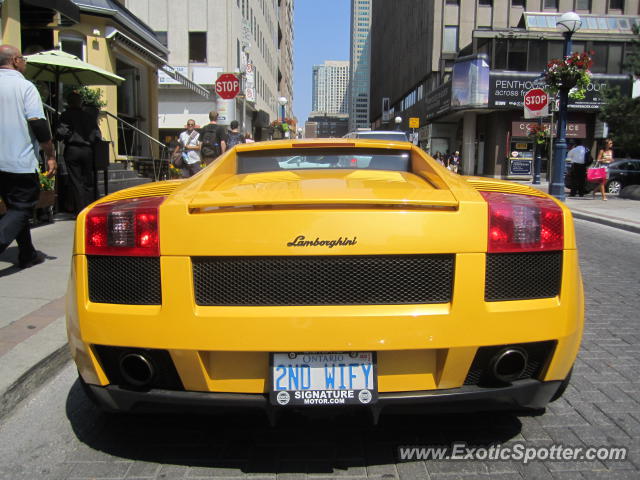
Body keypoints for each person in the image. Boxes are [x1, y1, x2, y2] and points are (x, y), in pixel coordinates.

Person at [0, 44, 57, 268]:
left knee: (15, 207)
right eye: (23, 58)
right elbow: (38, 123)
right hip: (18, 160)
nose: (25, 62)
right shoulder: (25, 87)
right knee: (22, 206)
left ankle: (27, 253)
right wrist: (50, 154)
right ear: (15, 60)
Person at [56, 91, 101, 213]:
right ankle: (91, 208)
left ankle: (81, 210)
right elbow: (97, 136)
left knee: (76, 181)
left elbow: (61, 133)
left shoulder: (66, 115)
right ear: (80, 102)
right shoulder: (88, 116)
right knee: (88, 180)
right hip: (87, 150)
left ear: (69, 103)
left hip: (72, 149)